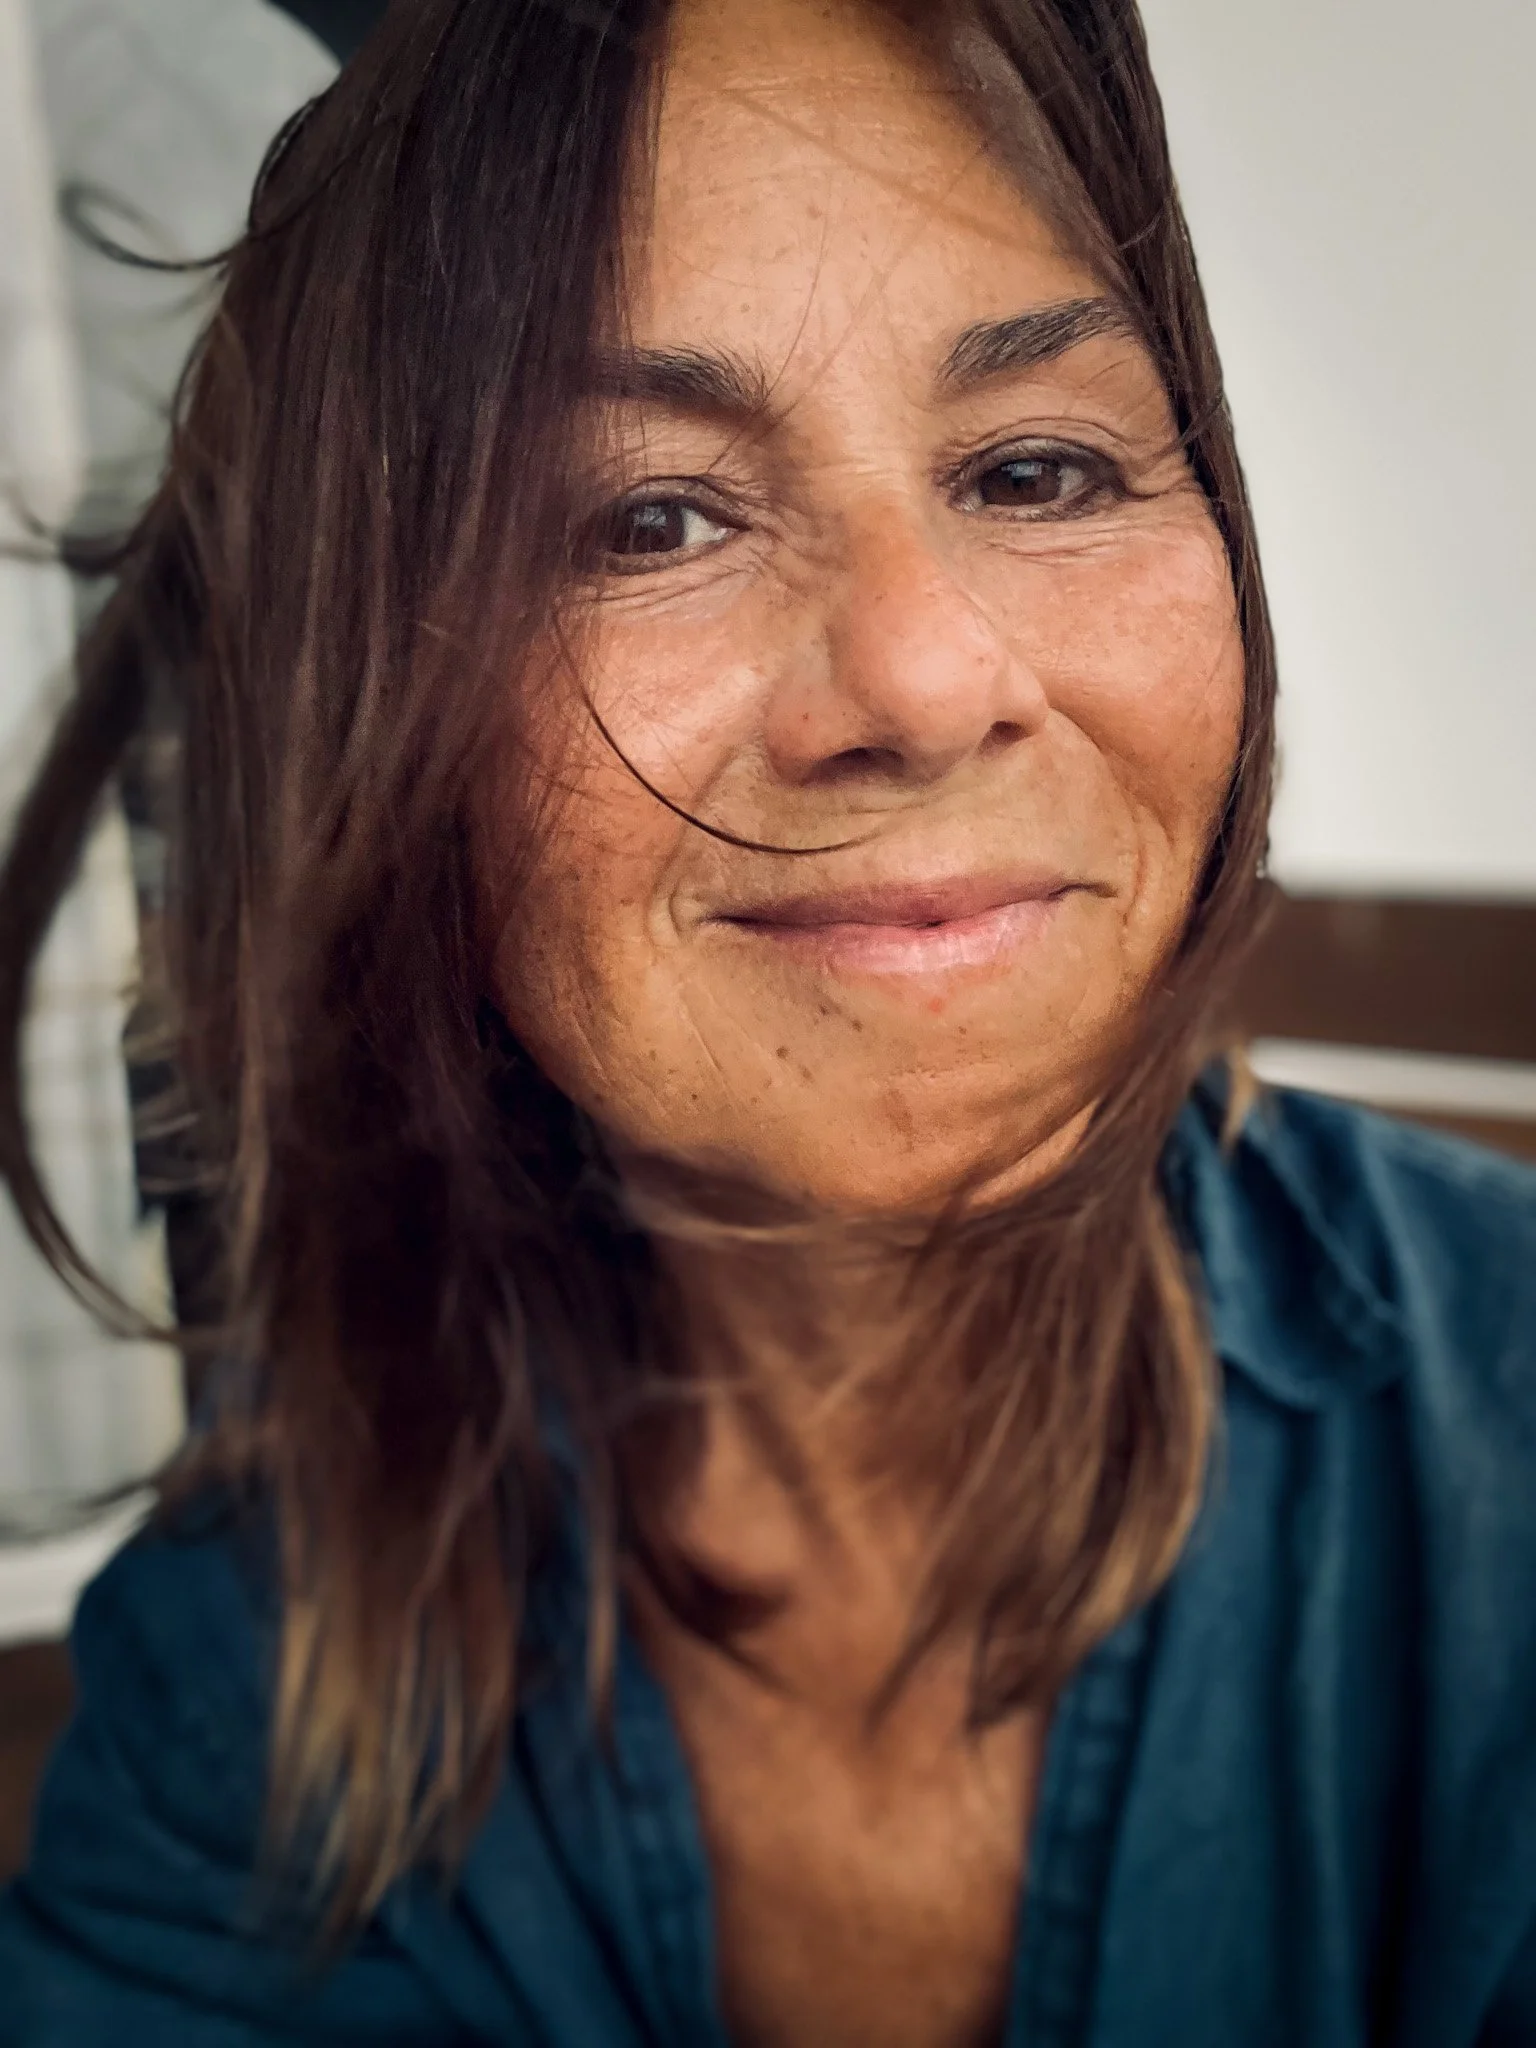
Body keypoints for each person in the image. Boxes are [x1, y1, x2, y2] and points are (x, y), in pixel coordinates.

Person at [0, 0, 1533, 2040]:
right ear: (380, 731)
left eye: (1039, 464)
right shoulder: (255, 1666)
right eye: (650, 517)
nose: (919, 674)